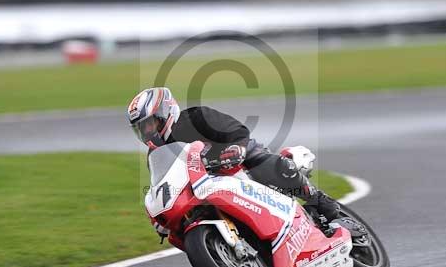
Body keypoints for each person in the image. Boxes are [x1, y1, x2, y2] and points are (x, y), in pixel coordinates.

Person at [127, 87, 345, 237]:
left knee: (261, 161)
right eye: (141, 129)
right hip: (205, 187)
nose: (147, 132)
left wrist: (236, 148)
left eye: (149, 124)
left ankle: (320, 202)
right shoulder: (155, 155)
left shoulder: (195, 117)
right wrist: (160, 218)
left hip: (234, 162)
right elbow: (163, 185)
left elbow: (237, 131)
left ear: (165, 112)